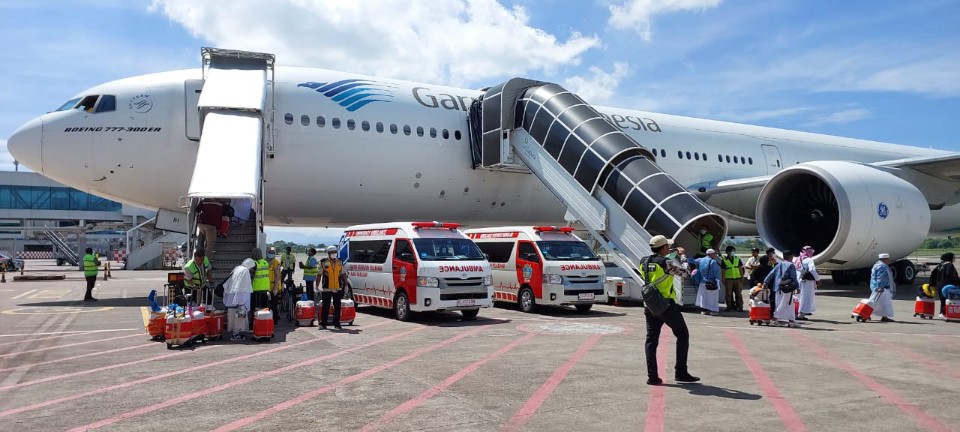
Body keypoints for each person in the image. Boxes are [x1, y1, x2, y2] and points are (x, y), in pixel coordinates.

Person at [641, 235, 699, 385]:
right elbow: (685, 272)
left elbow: (659, 266)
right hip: (666, 306)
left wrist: (670, 255)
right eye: (667, 246)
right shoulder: (665, 262)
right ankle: (681, 372)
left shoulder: (644, 261)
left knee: (651, 341)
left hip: (650, 305)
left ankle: (652, 376)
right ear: (664, 248)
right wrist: (683, 257)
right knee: (682, 335)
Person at [764, 249, 800, 327]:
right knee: (783, 304)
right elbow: (794, 277)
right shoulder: (791, 265)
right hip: (786, 288)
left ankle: (792, 321)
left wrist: (765, 282)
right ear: (790, 256)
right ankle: (774, 319)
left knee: (789, 304)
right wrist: (797, 287)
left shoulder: (779, 264)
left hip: (777, 288)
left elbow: (771, 274)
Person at [223, 259, 255, 341]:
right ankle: (237, 334)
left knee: (233, 317)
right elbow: (243, 287)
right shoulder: (245, 271)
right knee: (240, 318)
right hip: (240, 300)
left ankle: (234, 333)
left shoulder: (237, 268)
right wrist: (241, 302)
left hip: (232, 297)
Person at [319, 246, 348, 330]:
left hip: (337, 288)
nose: (334, 253)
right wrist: (317, 286)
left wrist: (346, 285)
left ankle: (337, 324)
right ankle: (323, 324)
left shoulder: (340, 262)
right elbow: (319, 275)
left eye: (335, 252)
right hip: (327, 287)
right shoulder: (323, 262)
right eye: (332, 252)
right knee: (326, 306)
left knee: (337, 306)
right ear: (328, 253)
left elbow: (343, 274)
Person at [795, 246, 820, 320]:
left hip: (799, 281)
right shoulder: (809, 260)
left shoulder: (798, 259)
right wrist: (818, 279)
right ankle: (801, 314)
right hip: (807, 282)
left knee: (800, 297)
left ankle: (798, 312)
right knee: (806, 298)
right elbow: (812, 270)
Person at [695, 249, 723, 316]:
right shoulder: (713, 261)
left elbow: (692, 260)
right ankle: (713, 311)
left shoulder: (700, 260)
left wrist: (683, 257)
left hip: (702, 282)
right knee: (713, 297)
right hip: (711, 282)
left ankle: (704, 310)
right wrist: (718, 281)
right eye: (714, 253)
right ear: (711, 254)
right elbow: (716, 272)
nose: (715, 255)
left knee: (703, 297)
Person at [931, 252, 959, 319]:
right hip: (947, 285)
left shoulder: (940, 265)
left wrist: (932, 283)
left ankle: (942, 313)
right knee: (948, 299)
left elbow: (933, 274)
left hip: (940, 285)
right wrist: (956, 282)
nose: (954, 259)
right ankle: (943, 313)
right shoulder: (949, 265)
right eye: (953, 257)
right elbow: (949, 274)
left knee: (943, 299)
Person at [249, 248, 271, 328]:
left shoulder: (254, 263)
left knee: (255, 308)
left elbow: (251, 276)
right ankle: (264, 324)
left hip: (256, 289)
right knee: (264, 308)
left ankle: (253, 324)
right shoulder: (265, 262)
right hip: (265, 288)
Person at [870, 253, 896, 322]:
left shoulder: (878, 265)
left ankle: (884, 316)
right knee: (880, 303)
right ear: (884, 259)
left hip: (879, 288)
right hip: (882, 288)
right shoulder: (882, 267)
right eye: (887, 259)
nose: (889, 260)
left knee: (879, 303)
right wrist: (880, 286)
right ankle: (866, 314)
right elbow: (881, 278)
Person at [721, 246, 744, 312]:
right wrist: (723, 279)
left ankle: (740, 306)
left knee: (738, 294)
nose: (733, 252)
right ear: (728, 252)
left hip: (737, 279)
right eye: (731, 251)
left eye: (734, 251)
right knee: (728, 294)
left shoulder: (737, 258)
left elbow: (740, 269)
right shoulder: (724, 259)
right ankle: (729, 307)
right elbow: (723, 270)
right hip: (729, 279)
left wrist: (742, 277)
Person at [267, 247, 282, 324]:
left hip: (273, 287)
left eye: (272, 252)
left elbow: (277, 276)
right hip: (266, 286)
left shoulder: (276, 263)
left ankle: (274, 320)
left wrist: (275, 288)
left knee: (273, 305)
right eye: (269, 252)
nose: (270, 254)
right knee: (266, 305)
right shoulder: (265, 261)